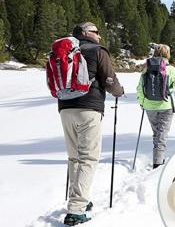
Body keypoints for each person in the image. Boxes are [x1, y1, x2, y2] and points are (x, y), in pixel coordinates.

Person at [59, 22, 124, 226]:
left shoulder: (66, 50)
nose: (99, 36)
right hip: (89, 109)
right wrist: (119, 92)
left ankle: (79, 199)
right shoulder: (98, 51)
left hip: (65, 109)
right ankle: (76, 209)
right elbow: (109, 80)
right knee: (88, 158)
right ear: (86, 33)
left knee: (74, 157)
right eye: (96, 32)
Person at [136, 44, 175, 169]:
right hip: (166, 106)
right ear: (167, 54)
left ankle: (158, 158)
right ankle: (158, 163)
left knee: (157, 134)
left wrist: (142, 102)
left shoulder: (146, 69)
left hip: (149, 106)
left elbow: (140, 88)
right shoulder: (170, 69)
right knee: (162, 135)